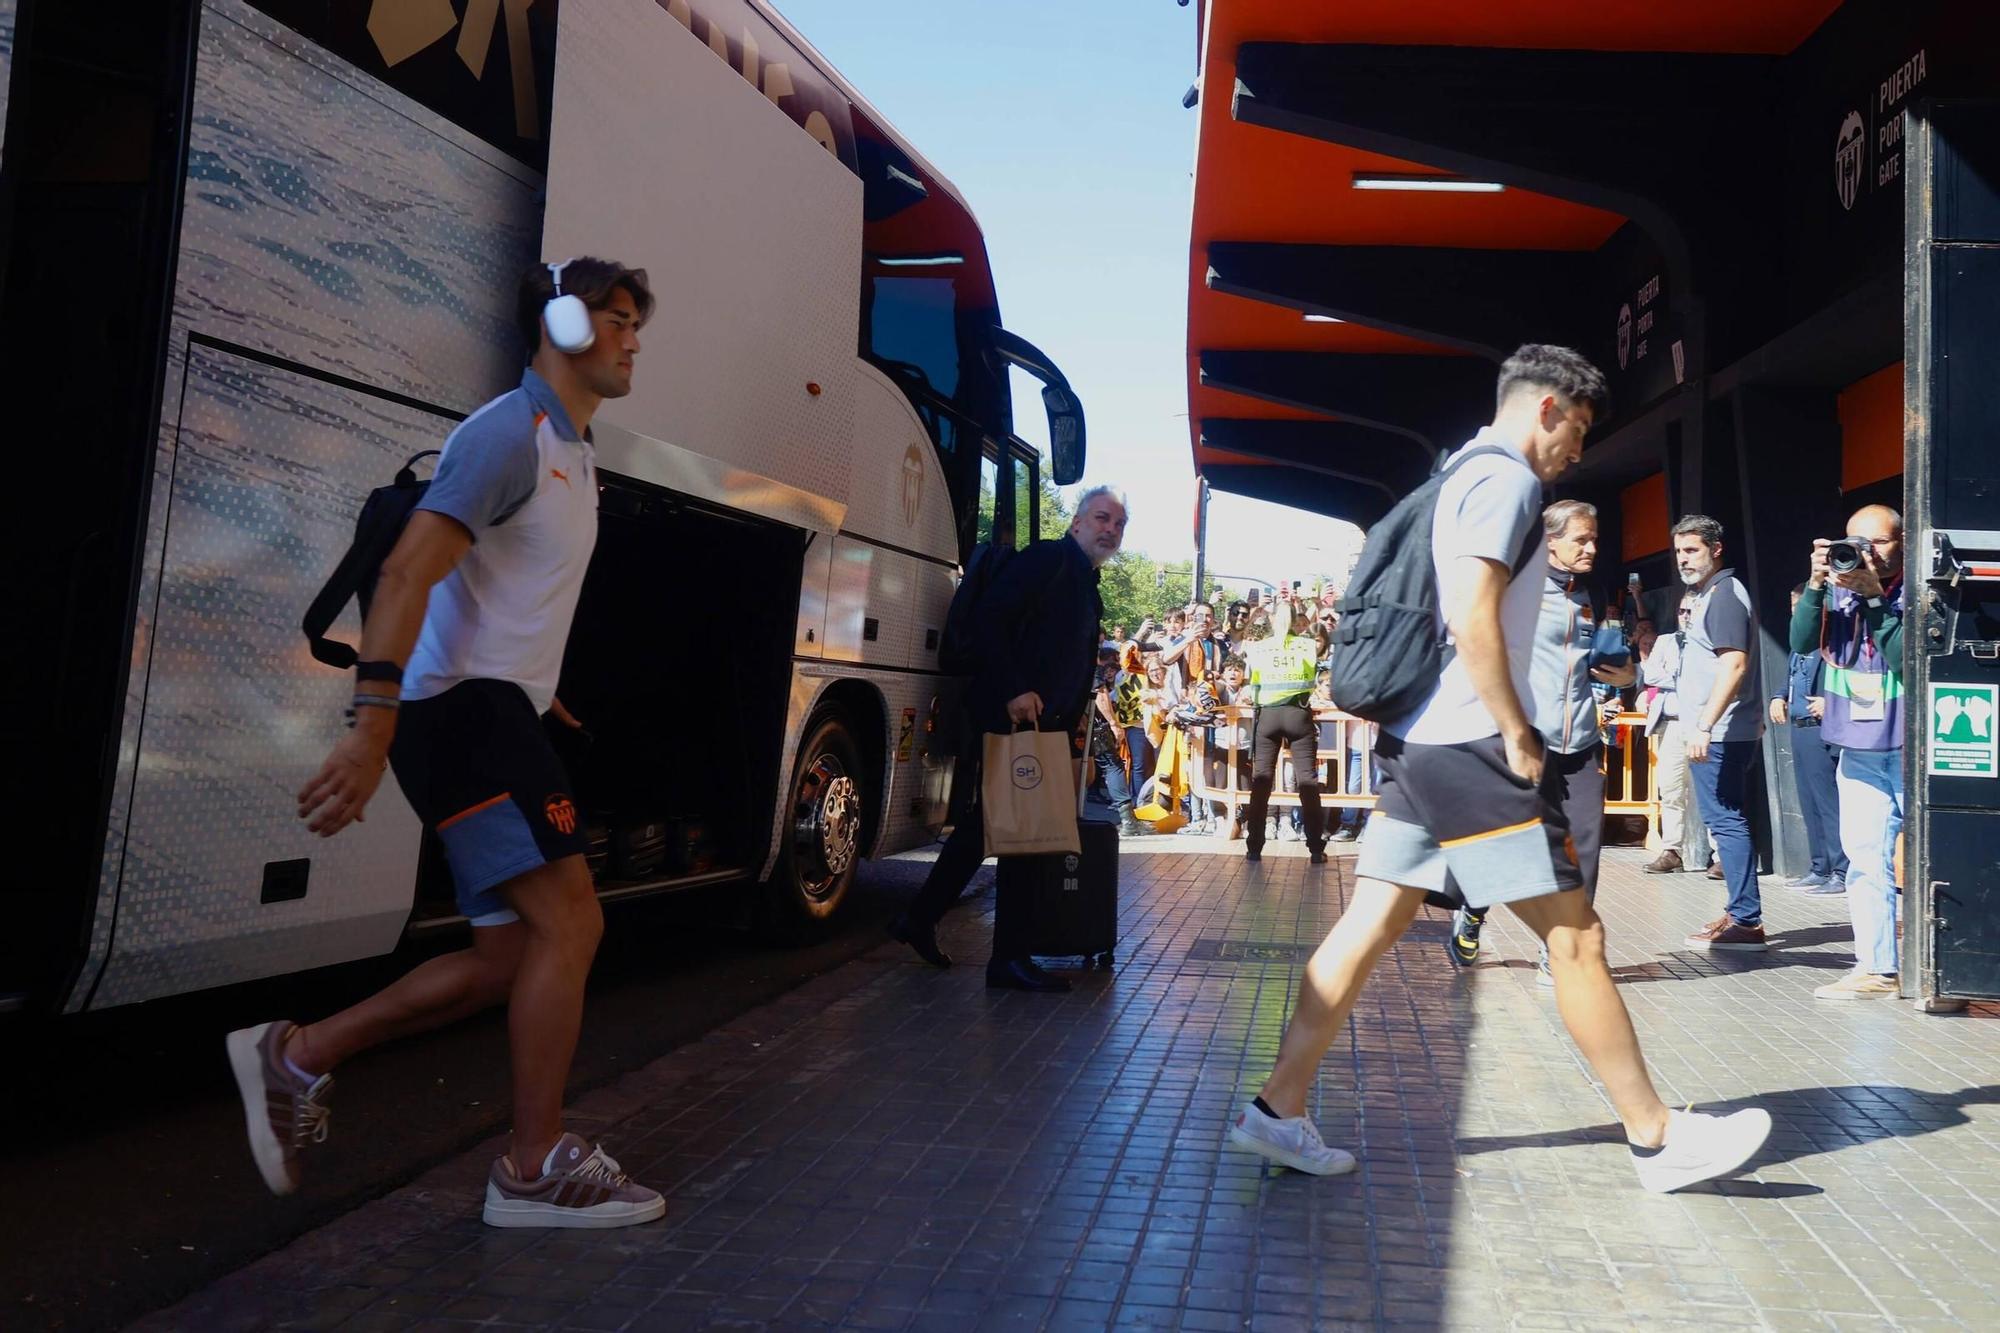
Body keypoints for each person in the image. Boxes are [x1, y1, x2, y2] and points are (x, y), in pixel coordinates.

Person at [1227, 345, 1769, 1193]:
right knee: (1577, 937)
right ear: (1548, 406)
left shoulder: (1458, 471)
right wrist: (1517, 730)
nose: (1577, 451)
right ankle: (1659, 1137)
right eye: (1579, 428)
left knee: (1371, 923)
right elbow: (1471, 610)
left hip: (1421, 741)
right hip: (1473, 744)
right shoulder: (1510, 480)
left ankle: (1277, 1108)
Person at [228, 259, 664, 1228]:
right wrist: (369, 729)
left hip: (490, 709)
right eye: (619, 320)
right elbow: (406, 576)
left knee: (508, 958)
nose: (636, 340)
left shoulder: (571, 448)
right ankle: (531, 1166)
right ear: (560, 323)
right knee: (573, 921)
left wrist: (541, 697)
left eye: (639, 323)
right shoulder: (507, 433)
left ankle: (295, 1055)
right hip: (458, 714)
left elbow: (498, 593)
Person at [888, 485, 1127, 992]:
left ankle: (920, 919)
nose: (1111, 529)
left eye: (1119, 524)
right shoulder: (1048, 561)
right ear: (1078, 523)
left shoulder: (1085, 578)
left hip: (1046, 726)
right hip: (1013, 716)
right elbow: (989, 622)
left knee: (989, 827)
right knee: (1026, 835)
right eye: (1103, 518)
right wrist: (1016, 689)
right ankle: (1009, 959)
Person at [1448, 499, 1636, 982]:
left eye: (1594, 539)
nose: (1591, 547)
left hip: (1582, 741)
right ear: (1551, 542)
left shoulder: (1587, 593)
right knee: (1509, 841)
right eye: (1581, 539)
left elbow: (1596, 662)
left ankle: (1561, 950)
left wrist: (1624, 672)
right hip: (1528, 739)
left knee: (1584, 845)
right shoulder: (1515, 591)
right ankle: (1472, 907)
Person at [1796, 506, 1906, 1000]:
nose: (1866, 553)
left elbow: (1908, 656)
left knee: (1943, 859)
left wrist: (1876, 599)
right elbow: (1800, 641)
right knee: (1864, 859)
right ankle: (1878, 969)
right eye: (1855, 543)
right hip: (1858, 746)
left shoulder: (1917, 590)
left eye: (1878, 543)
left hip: (1910, 745)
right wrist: (1818, 582)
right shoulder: (1834, 590)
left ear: (1901, 543)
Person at [1672, 516, 1767, 951]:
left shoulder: (1725, 596)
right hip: (1718, 728)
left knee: (1725, 819)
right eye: (1678, 551)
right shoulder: (1706, 595)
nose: (1683, 559)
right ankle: (1739, 912)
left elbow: (1734, 664)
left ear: (1716, 549)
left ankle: (1746, 920)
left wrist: (1705, 725)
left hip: (1720, 731)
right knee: (1726, 818)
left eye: (1691, 550)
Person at [1239, 589, 1328, 864]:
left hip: (1266, 717)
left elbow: (1250, 682)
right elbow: (1313, 675)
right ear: (1293, 621)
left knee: (1261, 781)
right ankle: (1315, 848)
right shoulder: (1306, 645)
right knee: (1307, 781)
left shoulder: (1256, 647)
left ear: (1272, 619)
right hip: (1298, 715)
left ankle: (1254, 847)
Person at [1771, 583, 1848, 896]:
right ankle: (1819, 867)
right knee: (1808, 801)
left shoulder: (1830, 644)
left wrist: (1831, 701)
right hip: (1798, 727)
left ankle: (1841, 871)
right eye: (1792, 607)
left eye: (1800, 606)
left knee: (1829, 802)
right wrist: (1778, 696)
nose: (1796, 613)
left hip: (1820, 729)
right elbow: (1789, 678)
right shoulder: (1798, 645)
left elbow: (1847, 679)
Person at [1640, 602, 1713, 874]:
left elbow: (1711, 678)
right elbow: (1651, 674)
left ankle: (1719, 855)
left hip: (1701, 726)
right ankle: (1672, 850)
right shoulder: (1665, 641)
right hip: (1671, 725)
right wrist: (1686, 677)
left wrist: (1676, 677)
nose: (1685, 616)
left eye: (1690, 611)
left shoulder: (1709, 640)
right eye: (1681, 611)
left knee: (1710, 790)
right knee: (1670, 789)